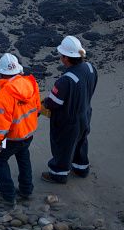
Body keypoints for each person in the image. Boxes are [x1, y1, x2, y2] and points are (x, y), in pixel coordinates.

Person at [41, 35, 98, 184]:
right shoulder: (91, 68)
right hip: (85, 114)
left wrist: (41, 105)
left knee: (63, 147)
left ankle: (58, 174)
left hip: (68, 121)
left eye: (61, 55)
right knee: (81, 141)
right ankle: (81, 168)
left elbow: (53, 103)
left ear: (66, 58)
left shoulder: (65, 81)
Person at [0, 53, 42, 205]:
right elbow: (37, 109)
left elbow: (0, 127)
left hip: (11, 138)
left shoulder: (2, 97)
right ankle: (26, 190)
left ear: (1, 73)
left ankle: (8, 196)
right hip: (28, 134)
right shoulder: (31, 83)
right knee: (24, 158)